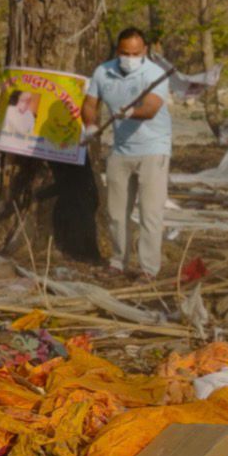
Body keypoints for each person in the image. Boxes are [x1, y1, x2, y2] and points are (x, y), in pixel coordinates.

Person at [81, 27, 171, 280]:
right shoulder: (103, 72)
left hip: (153, 149)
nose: (129, 58)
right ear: (116, 50)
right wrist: (90, 126)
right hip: (120, 149)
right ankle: (118, 261)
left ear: (144, 51)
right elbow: (90, 103)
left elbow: (152, 107)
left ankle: (148, 268)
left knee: (150, 213)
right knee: (116, 212)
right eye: (124, 53)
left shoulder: (155, 73)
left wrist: (132, 112)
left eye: (135, 53)